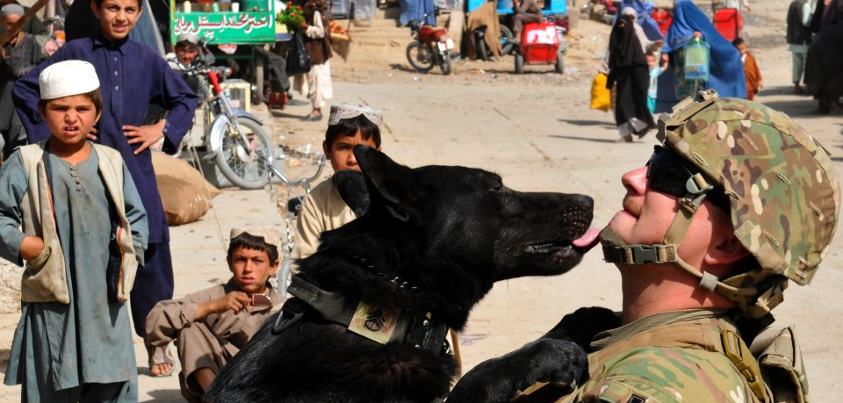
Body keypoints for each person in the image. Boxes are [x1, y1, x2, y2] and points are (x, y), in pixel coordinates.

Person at [516, 90, 839, 402]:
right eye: (655, 158)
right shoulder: (667, 347)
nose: (632, 177)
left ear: (727, 245)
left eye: (667, 174)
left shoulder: (654, 388)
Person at [12, 0, 199, 373]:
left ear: (139, 14)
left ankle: (156, 341)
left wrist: (160, 129)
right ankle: (85, 347)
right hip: (83, 173)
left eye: (130, 9)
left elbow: (185, 99)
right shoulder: (75, 53)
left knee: (150, 249)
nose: (121, 17)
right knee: (88, 255)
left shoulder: (147, 59)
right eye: (113, 7)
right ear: (97, 9)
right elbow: (25, 89)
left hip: (135, 171)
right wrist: (61, 130)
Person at [0, 59, 148, 402]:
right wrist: (25, 244)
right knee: (53, 379)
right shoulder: (26, 162)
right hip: (53, 299)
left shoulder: (111, 160)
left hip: (105, 300)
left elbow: (136, 217)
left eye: (82, 108)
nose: (71, 117)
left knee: (112, 380)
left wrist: (128, 253)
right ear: (42, 111)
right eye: (60, 108)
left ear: (96, 114)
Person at [145, 228, 284, 403]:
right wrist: (211, 307)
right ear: (229, 263)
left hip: (261, 385)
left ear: (274, 267)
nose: (248, 269)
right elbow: (155, 318)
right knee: (190, 327)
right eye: (241, 260)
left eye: (257, 261)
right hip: (218, 382)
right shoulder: (217, 296)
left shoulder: (282, 306)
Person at [292, 103, 383, 260]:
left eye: (363, 150)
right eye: (344, 147)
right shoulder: (316, 202)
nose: (353, 159)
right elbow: (305, 262)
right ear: (327, 149)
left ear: (378, 154)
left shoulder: (392, 197)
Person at [655, 0, 745, 112]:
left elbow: (711, 37)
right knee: (685, 98)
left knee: (697, 93)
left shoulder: (696, 25)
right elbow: (669, 42)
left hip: (697, 70)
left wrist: (700, 37)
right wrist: (665, 52)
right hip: (682, 72)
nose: (676, 11)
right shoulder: (676, 26)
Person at [0, 3, 42, 160]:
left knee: (16, 145)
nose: (14, 27)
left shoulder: (30, 42)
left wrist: (26, 71)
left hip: (19, 103)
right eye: (10, 23)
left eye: (18, 23)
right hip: (2, 101)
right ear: (2, 22)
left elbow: (40, 68)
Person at [606, 13, 653, 142]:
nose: (621, 27)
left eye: (624, 24)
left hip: (634, 81)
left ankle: (641, 127)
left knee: (627, 105)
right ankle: (626, 135)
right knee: (620, 108)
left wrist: (641, 84)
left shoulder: (634, 43)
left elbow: (641, 66)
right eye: (619, 24)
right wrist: (610, 79)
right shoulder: (615, 41)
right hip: (621, 80)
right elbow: (612, 62)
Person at [294, 0, 333, 120]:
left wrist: (305, 27)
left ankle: (317, 111)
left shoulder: (316, 12)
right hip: (312, 52)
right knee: (312, 82)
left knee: (316, 82)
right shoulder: (310, 9)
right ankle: (315, 109)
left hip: (317, 53)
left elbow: (321, 32)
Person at [787, 0, 814, 94]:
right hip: (803, 39)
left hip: (794, 39)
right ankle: (809, 87)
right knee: (806, 64)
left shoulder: (793, 4)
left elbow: (788, 20)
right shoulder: (805, 5)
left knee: (796, 64)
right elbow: (806, 22)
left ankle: (797, 86)